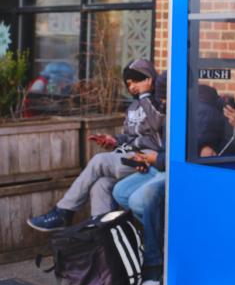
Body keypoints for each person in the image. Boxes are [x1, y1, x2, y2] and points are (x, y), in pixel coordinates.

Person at [28, 59, 165, 232]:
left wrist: (146, 95)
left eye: (136, 81)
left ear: (149, 79)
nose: (132, 87)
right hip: (132, 159)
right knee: (101, 185)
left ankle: (64, 211)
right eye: (128, 83)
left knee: (99, 161)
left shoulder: (158, 104)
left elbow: (158, 123)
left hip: (149, 160)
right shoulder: (132, 107)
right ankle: (102, 240)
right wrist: (115, 140)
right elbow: (129, 136)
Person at [113, 148, 166, 285]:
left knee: (140, 200)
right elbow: (163, 146)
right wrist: (146, 159)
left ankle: (154, 264)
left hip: (175, 167)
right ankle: (160, 241)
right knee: (120, 192)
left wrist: (157, 159)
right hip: (158, 165)